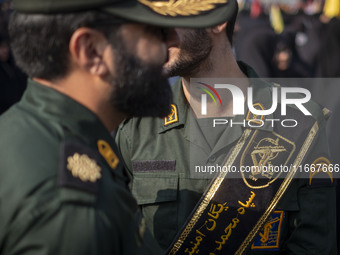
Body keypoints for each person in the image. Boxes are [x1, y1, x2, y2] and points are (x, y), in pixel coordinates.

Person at [0, 0, 234, 254]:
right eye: (154, 31)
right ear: (91, 50)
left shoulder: (30, 132)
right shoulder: (73, 209)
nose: (171, 42)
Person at [116, 0, 337, 253]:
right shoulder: (136, 129)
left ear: (215, 20)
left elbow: (315, 244)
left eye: (169, 19)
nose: (154, 35)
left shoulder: (300, 123)